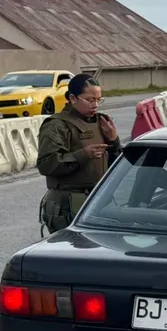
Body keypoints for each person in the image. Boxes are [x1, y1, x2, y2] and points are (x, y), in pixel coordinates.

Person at [36, 73, 121, 235]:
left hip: (99, 198)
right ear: (73, 99)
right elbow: (46, 164)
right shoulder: (57, 125)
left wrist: (113, 141)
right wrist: (83, 155)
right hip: (68, 203)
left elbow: (116, 166)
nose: (95, 105)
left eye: (98, 100)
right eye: (89, 100)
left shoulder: (102, 122)